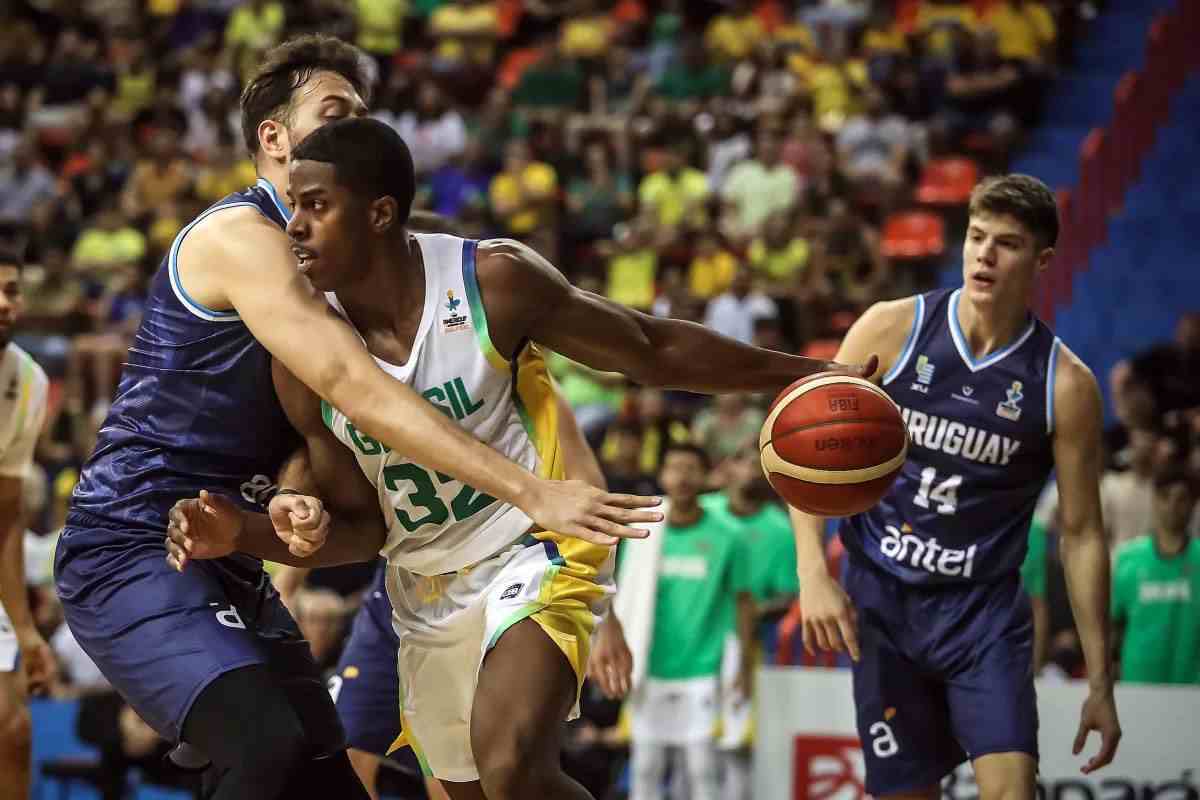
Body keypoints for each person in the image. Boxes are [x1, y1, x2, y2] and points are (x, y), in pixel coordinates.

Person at [167, 116, 869, 800]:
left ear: (379, 213)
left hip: (534, 546)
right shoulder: (302, 359)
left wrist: (803, 372)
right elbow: (363, 530)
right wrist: (248, 534)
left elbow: (650, 348)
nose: (293, 226)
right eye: (293, 207)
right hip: (424, 589)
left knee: (506, 763)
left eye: (315, 206)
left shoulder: (490, 281)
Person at [53, 35, 660, 800]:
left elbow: (320, 437)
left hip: (227, 549)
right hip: (136, 539)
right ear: (273, 140)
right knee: (264, 750)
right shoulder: (243, 238)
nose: (357, 128)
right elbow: (350, 384)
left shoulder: (350, 257)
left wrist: (289, 506)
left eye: (365, 115)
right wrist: (530, 490)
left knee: (325, 778)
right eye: (334, 112)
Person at [792, 174, 1122, 799]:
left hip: (982, 616)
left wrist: (1101, 680)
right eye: (975, 237)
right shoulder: (890, 330)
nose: (984, 256)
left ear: (1042, 260)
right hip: (882, 606)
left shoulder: (1065, 385)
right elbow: (803, 450)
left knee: (1012, 791)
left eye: (1006, 243)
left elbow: (1081, 534)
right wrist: (813, 572)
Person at [0, 247, 56, 800]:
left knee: (12, 729)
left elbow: (8, 514)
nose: (3, 303)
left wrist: (23, 626)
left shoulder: (28, 382)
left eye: (12, 290)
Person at [1111, 466, 1200, 685]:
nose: (1172, 506)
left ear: (1193, 504)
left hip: (1192, 691)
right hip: (1137, 687)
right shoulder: (1128, 559)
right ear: (1154, 501)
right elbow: (1112, 626)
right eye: (1165, 497)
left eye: (1181, 498)